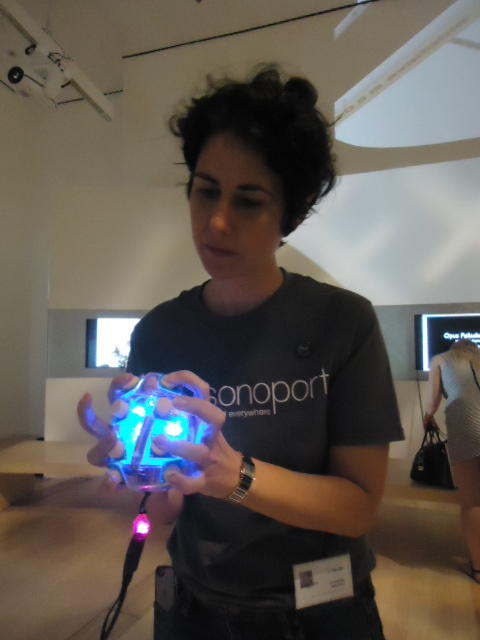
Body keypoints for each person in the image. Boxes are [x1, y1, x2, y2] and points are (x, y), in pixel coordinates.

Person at [78, 65, 404, 639]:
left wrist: (233, 475)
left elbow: (358, 508)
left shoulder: (342, 322)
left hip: (321, 613)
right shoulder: (159, 331)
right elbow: (165, 511)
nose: (217, 221)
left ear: (291, 213)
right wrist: (139, 471)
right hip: (196, 607)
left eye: (248, 201)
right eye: (206, 191)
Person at [424, 339, 480, 584]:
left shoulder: (439, 359)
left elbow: (433, 401)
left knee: (472, 501)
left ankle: (478, 568)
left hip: (466, 424)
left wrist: (428, 417)